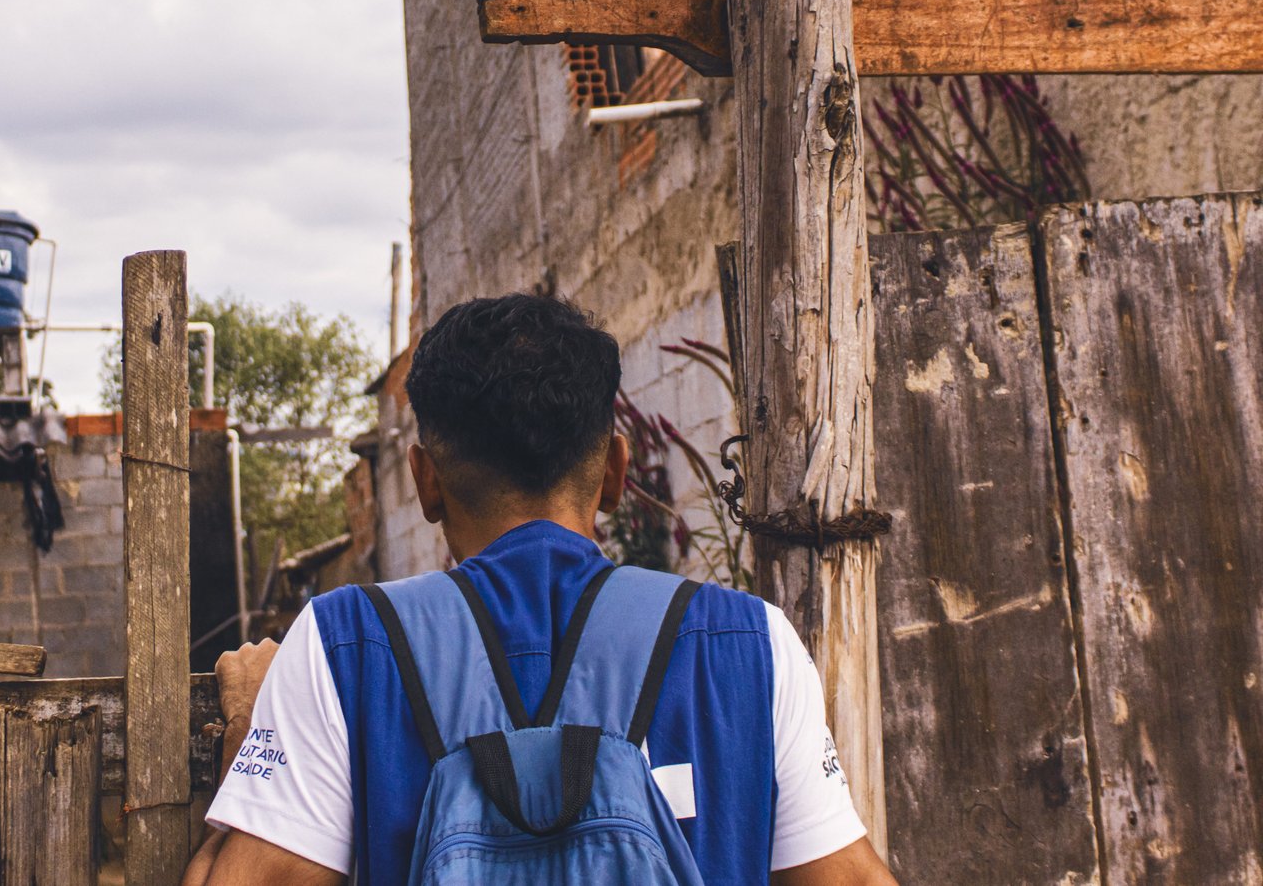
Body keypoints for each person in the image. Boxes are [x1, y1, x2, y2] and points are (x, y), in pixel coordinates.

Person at [185, 294, 897, 886]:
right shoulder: (750, 644)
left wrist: (250, 728)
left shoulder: (343, 646)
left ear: (425, 480)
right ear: (618, 472)